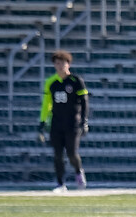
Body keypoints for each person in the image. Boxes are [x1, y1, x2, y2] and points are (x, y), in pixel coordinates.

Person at [38, 50, 89, 193]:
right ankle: (60, 184)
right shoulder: (50, 82)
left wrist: (84, 121)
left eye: (63, 63)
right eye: (57, 63)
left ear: (68, 64)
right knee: (57, 154)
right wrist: (42, 123)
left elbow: (84, 102)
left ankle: (78, 171)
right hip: (56, 123)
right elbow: (46, 104)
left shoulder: (76, 81)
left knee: (72, 153)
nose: (60, 66)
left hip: (73, 123)